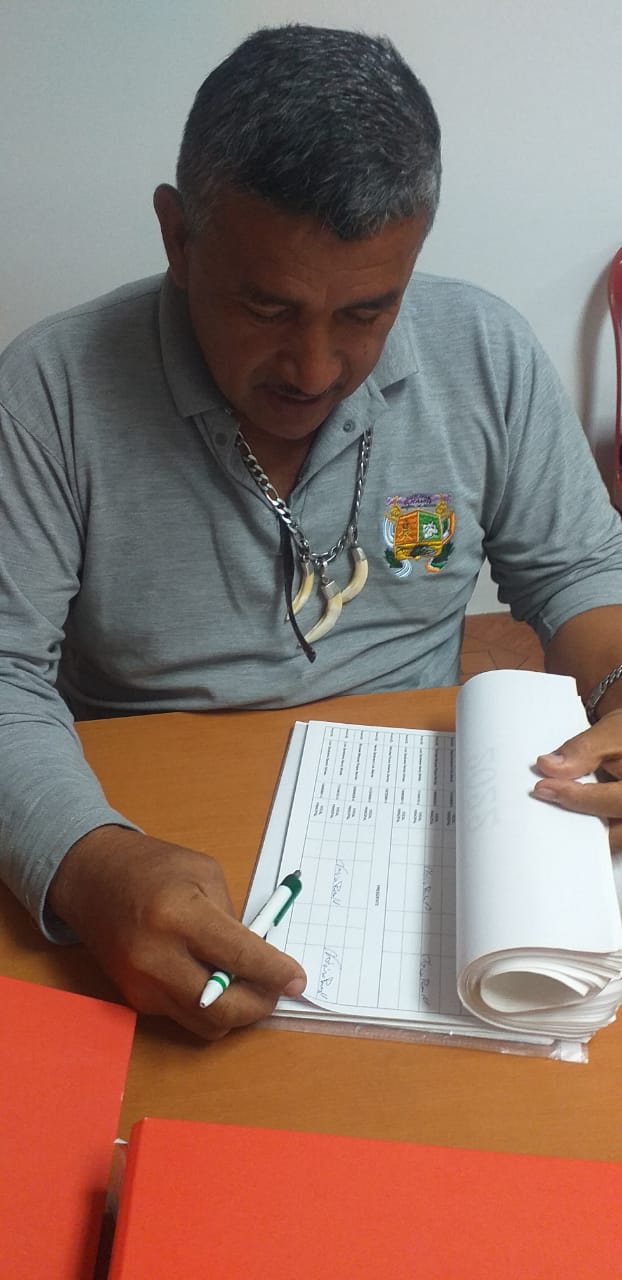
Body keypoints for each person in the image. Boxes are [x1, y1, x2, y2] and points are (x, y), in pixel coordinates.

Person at [2, 24, 622, 1042]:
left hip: (432, 839)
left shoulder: (484, 352)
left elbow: (580, 569)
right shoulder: (49, 393)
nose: (316, 367)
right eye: (266, 308)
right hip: (148, 838)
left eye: (367, 313)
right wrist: (85, 860)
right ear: (176, 237)